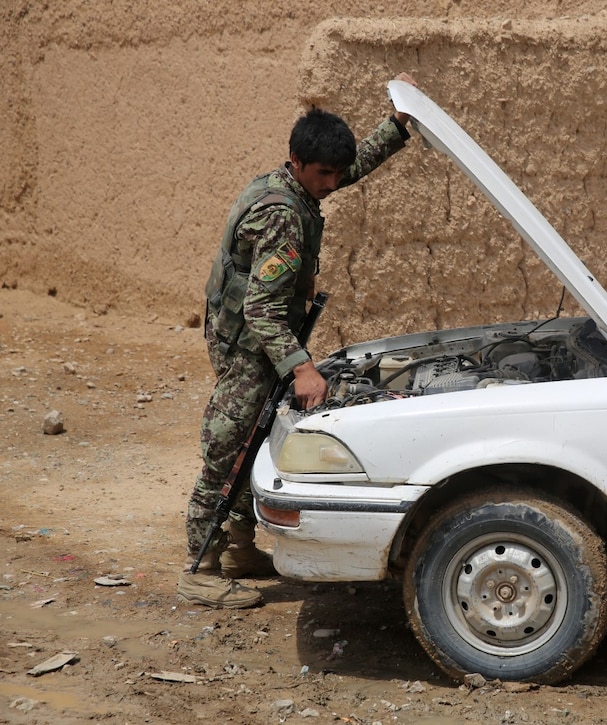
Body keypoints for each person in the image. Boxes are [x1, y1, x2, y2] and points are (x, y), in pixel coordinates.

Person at [178, 74, 417, 608]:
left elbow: (347, 169)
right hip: (250, 343)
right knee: (229, 445)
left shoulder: (293, 182)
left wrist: (397, 126)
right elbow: (262, 307)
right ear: (297, 160)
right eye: (324, 174)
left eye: (335, 172)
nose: (332, 183)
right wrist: (301, 368)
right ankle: (200, 565)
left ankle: (239, 547)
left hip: (255, 336)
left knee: (256, 439)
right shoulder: (282, 215)